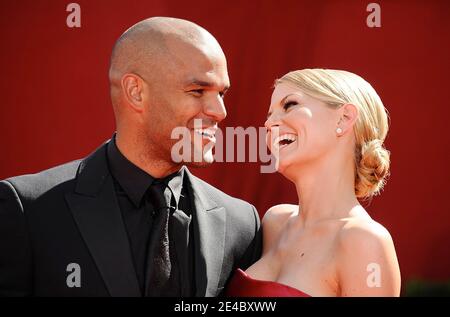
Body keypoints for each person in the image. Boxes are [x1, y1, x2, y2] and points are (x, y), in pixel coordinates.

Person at [0, 17, 261, 297]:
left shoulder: (242, 223)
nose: (220, 111)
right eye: (198, 91)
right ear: (136, 92)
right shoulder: (28, 210)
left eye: (221, 93)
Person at [225, 69, 401, 297]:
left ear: (344, 118)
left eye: (289, 105)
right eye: (269, 114)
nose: (269, 123)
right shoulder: (274, 222)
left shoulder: (365, 241)